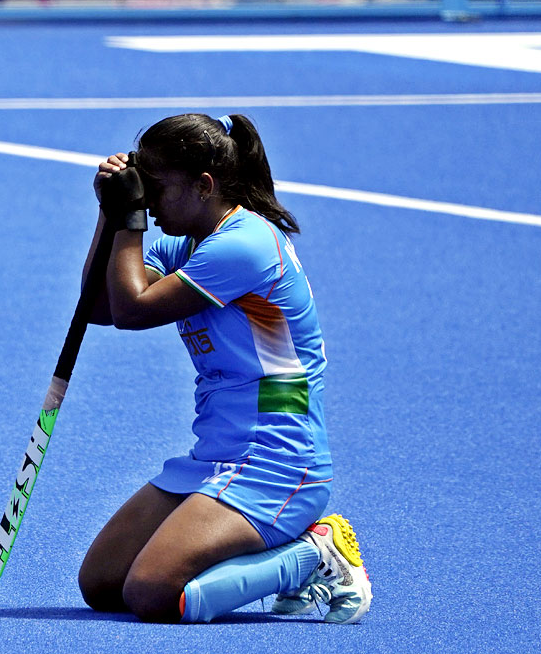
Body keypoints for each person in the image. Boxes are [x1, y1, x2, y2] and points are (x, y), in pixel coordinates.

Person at [76, 112, 371, 624]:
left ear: (204, 186)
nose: (146, 200)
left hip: (276, 461)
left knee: (152, 592)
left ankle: (314, 554)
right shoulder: (188, 240)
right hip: (216, 454)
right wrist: (110, 212)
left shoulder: (244, 245)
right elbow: (99, 306)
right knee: (101, 583)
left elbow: (132, 310)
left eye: (155, 188)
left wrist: (129, 218)